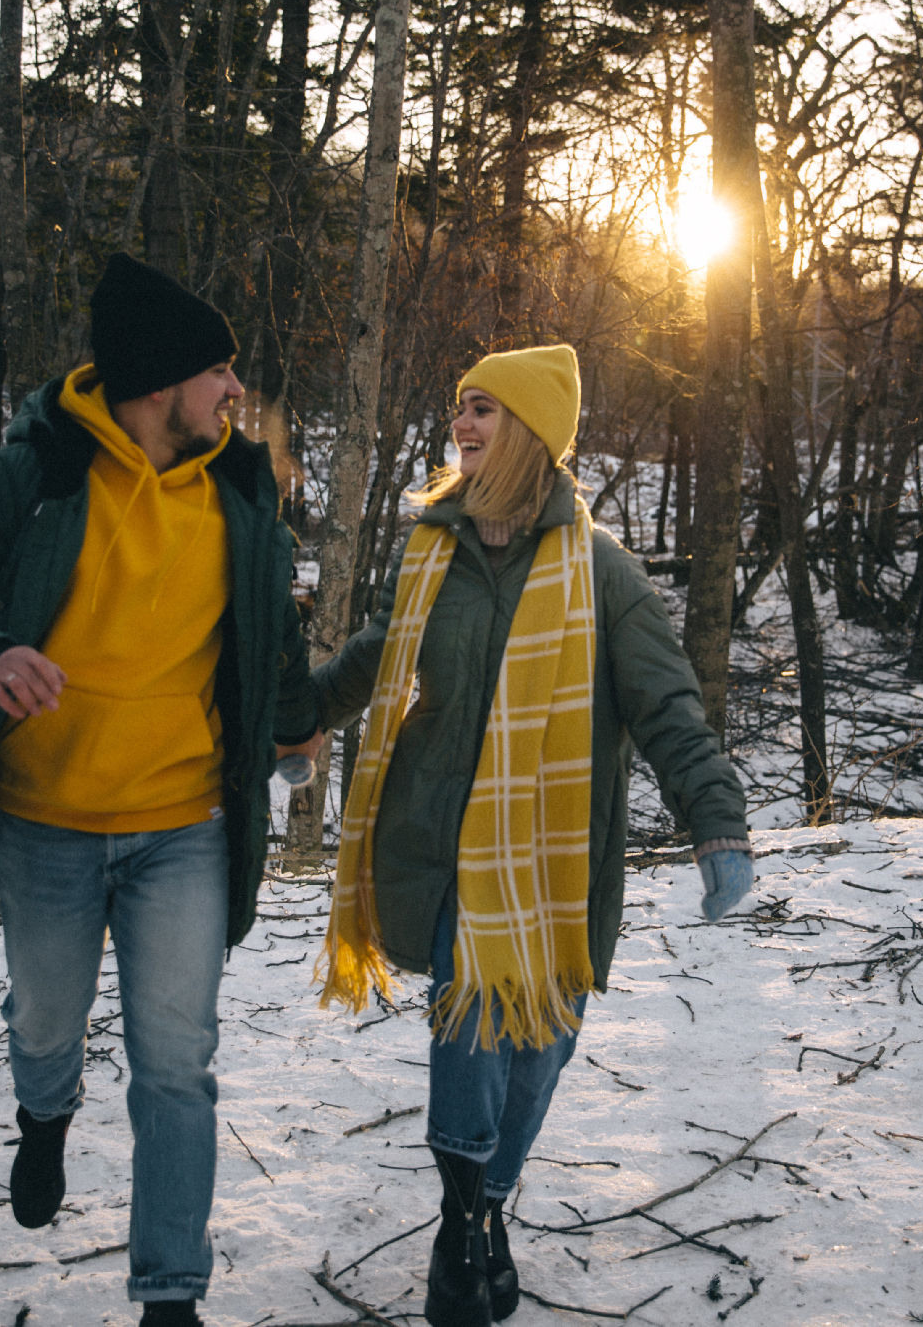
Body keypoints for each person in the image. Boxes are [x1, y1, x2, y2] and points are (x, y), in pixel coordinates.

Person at [0, 254, 319, 1327]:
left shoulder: (240, 487)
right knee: (46, 1026)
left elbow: (271, 632)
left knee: (176, 1066)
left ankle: (169, 1294)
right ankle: (44, 1116)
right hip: (45, 826)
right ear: (160, 383)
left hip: (183, 831)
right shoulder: (30, 478)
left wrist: (294, 728)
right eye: (220, 371)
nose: (235, 393)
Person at [312, 344, 755, 1327]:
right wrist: (301, 718)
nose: (461, 426)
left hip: (552, 867)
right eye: (458, 408)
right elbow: (373, 659)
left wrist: (715, 825)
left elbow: (670, 710)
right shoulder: (430, 551)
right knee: (471, 1025)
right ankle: (462, 1220)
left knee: (539, 1048)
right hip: (441, 849)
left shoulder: (602, 575)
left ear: (532, 435)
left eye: (483, 410)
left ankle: (492, 1195)